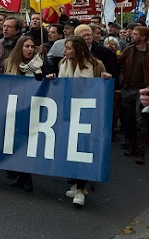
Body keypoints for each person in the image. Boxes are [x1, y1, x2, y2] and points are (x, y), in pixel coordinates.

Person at [48, 36, 111, 207]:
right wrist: (53, 80)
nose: (64, 51)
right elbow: (61, 86)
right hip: (67, 112)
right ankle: (76, 184)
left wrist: (106, 79)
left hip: (88, 114)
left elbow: (104, 88)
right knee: (70, 149)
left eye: (68, 48)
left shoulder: (96, 65)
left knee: (83, 149)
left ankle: (80, 190)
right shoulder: (62, 64)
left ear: (78, 49)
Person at [1, 36, 49, 192]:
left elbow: (51, 82)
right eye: (26, 46)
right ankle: (21, 176)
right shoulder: (9, 64)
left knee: (28, 145)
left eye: (32, 46)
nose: (29, 49)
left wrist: (44, 79)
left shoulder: (41, 64)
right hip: (15, 109)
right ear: (20, 48)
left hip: (32, 109)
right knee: (16, 143)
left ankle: (27, 178)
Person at [118, 26, 149, 165]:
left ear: (143, 37)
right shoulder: (128, 49)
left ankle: (141, 152)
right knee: (128, 120)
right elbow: (117, 63)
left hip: (143, 90)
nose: (132, 35)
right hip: (127, 88)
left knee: (140, 120)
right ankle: (132, 146)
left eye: (136, 34)